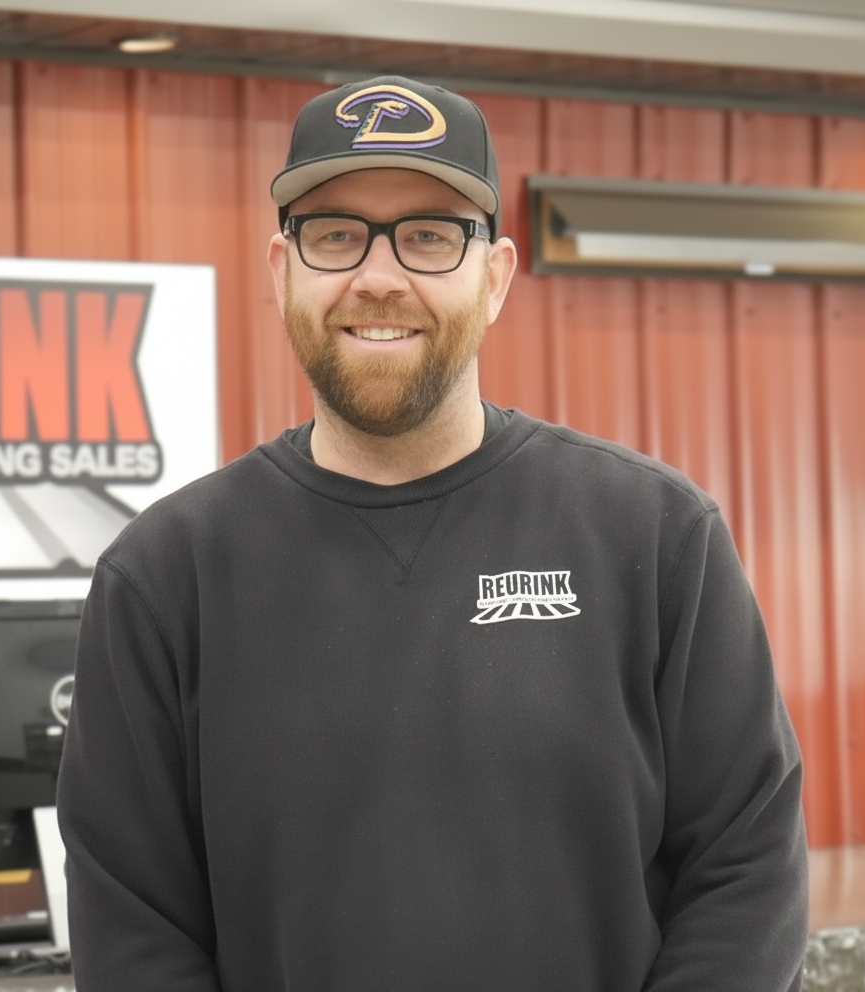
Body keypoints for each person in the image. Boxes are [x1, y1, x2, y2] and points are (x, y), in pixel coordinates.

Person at [57, 75, 809, 991]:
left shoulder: (654, 536)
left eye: (428, 235)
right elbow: (134, 936)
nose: (379, 277)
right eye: (335, 235)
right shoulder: (165, 577)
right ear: (282, 270)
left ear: (493, 278)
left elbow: (747, 871)